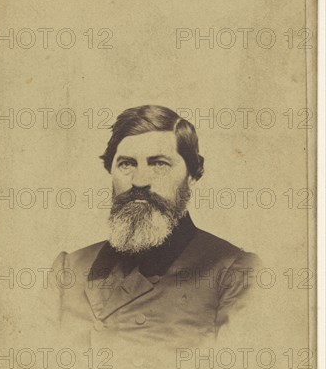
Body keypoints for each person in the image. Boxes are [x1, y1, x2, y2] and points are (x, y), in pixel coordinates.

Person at [50, 105, 260, 347]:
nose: (140, 181)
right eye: (127, 164)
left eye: (159, 164)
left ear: (192, 175)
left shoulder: (235, 274)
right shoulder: (68, 269)